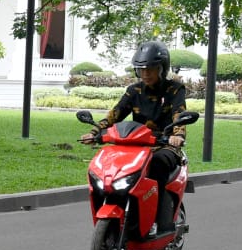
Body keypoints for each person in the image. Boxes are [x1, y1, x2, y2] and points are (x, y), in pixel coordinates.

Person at [80, 40, 187, 233]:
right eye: (141, 70)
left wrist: (177, 136)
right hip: (136, 146)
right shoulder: (134, 91)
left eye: (151, 69)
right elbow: (115, 115)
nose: (145, 74)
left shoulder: (174, 90)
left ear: (162, 68)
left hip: (164, 146)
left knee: (157, 165)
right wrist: (95, 132)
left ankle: (159, 222)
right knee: (110, 164)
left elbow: (179, 115)